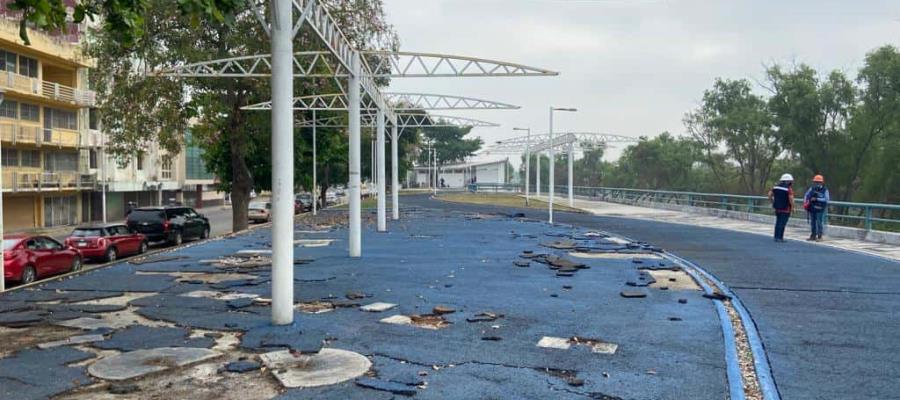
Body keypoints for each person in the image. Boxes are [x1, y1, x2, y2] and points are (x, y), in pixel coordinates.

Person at [768, 173, 794, 242]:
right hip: (786, 209)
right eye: (790, 181)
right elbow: (791, 199)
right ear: (787, 181)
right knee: (782, 223)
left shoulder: (775, 187)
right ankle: (780, 238)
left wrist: (772, 202)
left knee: (778, 222)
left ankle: (776, 237)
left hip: (777, 208)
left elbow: (769, 195)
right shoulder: (788, 189)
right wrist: (793, 208)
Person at [803, 175, 830, 241]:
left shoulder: (825, 190)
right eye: (816, 182)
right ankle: (813, 235)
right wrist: (805, 202)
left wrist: (817, 199)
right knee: (813, 222)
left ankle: (820, 236)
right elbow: (806, 195)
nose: (817, 183)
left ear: (822, 182)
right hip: (812, 208)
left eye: (819, 182)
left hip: (820, 209)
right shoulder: (811, 189)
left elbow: (826, 200)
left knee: (819, 222)